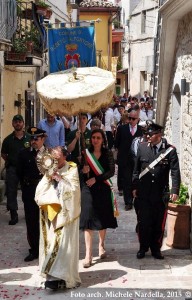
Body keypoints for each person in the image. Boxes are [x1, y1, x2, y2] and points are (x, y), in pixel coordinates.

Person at [132, 122, 181, 260]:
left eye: (150, 134)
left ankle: (156, 248)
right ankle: (143, 247)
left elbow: (175, 172)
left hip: (160, 193)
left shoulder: (170, 150)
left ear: (159, 135)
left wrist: (175, 190)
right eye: (147, 133)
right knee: (143, 222)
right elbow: (136, 170)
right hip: (144, 192)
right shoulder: (142, 148)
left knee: (158, 223)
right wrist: (134, 187)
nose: (147, 136)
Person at [35, 146, 81, 290]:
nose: (54, 160)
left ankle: (63, 277)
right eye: (52, 157)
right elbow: (39, 191)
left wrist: (59, 178)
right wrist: (49, 177)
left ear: (65, 157)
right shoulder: (49, 169)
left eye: (57, 157)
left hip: (65, 215)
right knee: (51, 243)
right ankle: (51, 276)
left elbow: (74, 191)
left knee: (62, 245)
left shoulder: (71, 170)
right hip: (51, 214)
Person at [80, 129, 118, 268]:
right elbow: (78, 170)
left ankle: (101, 245)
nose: (95, 140)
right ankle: (88, 254)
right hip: (88, 189)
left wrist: (96, 179)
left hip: (102, 187)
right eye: (93, 137)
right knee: (88, 219)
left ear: (103, 140)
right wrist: (82, 171)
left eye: (98, 138)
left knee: (102, 218)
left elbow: (111, 171)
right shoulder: (85, 154)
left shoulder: (107, 153)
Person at [17, 127, 47, 262]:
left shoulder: (49, 154)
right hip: (30, 190)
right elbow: (19, 173)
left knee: (45, 220)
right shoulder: (24, 154)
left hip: (45, 190)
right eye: (31, 138)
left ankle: (46, 247)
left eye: (36, 139)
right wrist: (25, 188)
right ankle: (34, 249)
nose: (33, 141)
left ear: (43, 139)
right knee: (31, 221)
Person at [1, 114, 31, 225]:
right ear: (13, 124)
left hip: (26, 169)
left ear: (23, 123)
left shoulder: (29, 137)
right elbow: (3, 154)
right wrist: (11, 160)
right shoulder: (8, 140)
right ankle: (14, 214)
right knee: (11, 192)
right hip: (12, 169)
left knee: (27, 192)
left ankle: (28, 213)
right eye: (15, 121)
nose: (18, 123)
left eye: (20, 121)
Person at [115, 109, 143, 210]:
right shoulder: (122, 129)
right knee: (126, 181)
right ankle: (128, 202)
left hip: (137, 161)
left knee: (136, 180)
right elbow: (117, 144)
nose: (131, 120)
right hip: (125, 160)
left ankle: (137, 199)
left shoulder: (141, 130)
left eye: (133, 119)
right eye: (129, 118)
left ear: (138, 119)